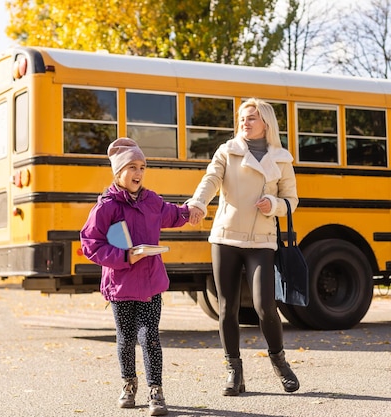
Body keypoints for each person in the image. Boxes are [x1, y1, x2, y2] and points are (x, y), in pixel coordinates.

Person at [187, 98, 300, 395]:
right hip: (226, 237)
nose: (244, 122)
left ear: (265, 123)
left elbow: (292, 201)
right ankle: (233, 372)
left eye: (251, 118)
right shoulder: (228, 151)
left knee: (265, 306)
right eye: (241, 118)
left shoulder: (282, 159)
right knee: (228, 308)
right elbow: (210, 179)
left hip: (262, 241)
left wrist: (273, 204)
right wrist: (198, 204)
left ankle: (279, 362)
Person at [80, 137, 194, 416]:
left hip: (151, 283)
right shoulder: (106, 206)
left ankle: (156, 391)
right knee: (126, 337)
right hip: (120, 285)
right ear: (118, 172)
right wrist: (124, 257)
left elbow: (174, 215)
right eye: (132, 167)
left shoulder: (152, 201)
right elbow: (89, 244)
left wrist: (192, 211)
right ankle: (129, 385)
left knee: (150, 336)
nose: (139, 173)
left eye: (142, 167)